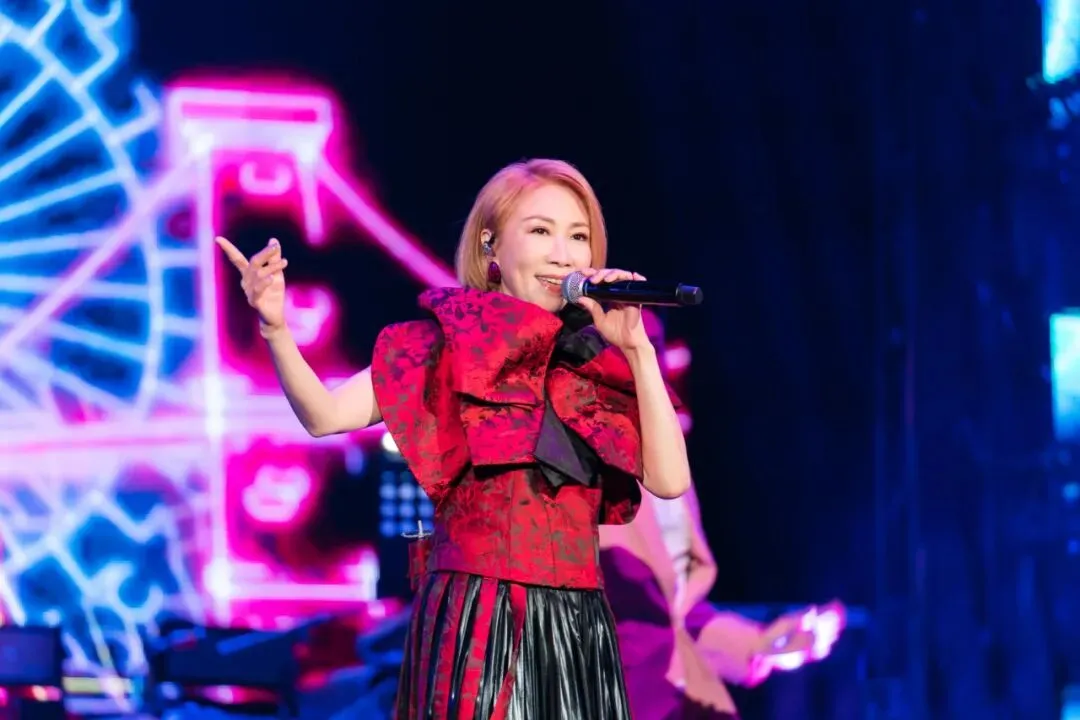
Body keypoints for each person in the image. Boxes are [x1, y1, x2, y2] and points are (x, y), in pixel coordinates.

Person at [214, 158, 691, 720]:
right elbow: (325, 416)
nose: (564, 254)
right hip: (479, 621)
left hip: (577, 625)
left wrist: (637, 351)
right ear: (491, 248)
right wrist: (275, 327)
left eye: (578, 236)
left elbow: (669, 480)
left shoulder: (595, 365)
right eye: (541, 231)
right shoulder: (444, 346)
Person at [599, 309, 845, 719]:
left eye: (650, 352)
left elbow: (680, 614)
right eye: (628, 352)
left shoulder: (666, 472)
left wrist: (760, 644)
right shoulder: (562, 472)